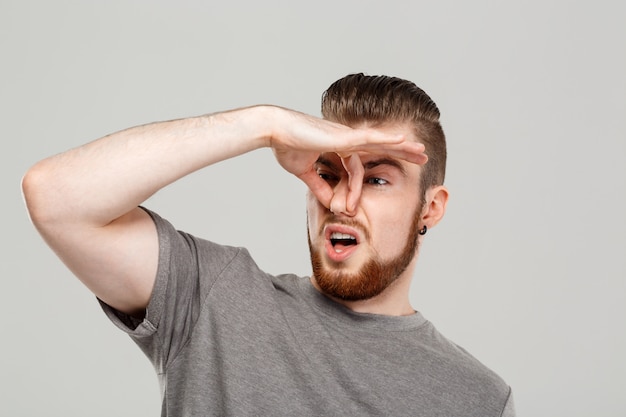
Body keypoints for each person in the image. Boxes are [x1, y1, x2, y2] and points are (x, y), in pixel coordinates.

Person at [22, 73, 515, 416]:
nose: (343, 201)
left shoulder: (477, 398)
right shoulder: (215, 297)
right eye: (328, 172)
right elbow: (56, 199)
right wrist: (263, 124)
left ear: (431, 208)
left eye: (377, 180)